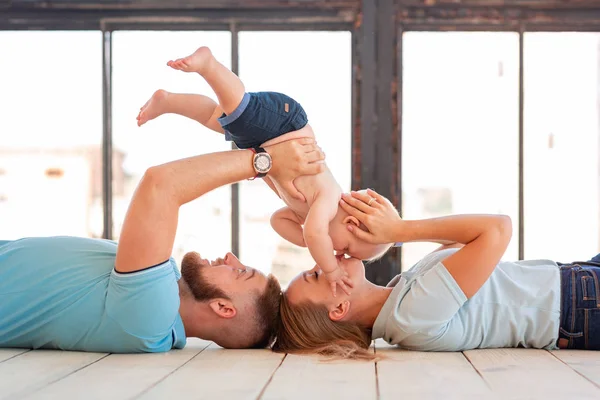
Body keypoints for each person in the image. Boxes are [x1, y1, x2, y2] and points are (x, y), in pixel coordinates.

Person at [0, 138, 325, 353]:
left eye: (240, 271)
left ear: (223, 308)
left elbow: (161, 185)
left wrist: (264, 162)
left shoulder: (150, 316)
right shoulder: (163, 284)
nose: (230, 256)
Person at [136, 46, 393, 297]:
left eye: (343, 255)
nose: (339, 254)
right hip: (285, 124)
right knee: (240, 113)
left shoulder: (311, 215)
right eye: (346, 248)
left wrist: (306, 239)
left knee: (217, 118)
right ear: (350, 223)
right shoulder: (328, 199)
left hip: (271, 139)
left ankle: (168, 101)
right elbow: (316, 234)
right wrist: (332, 269)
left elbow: (277, 221)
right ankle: (209, 66)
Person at [273, 189, 600, 360]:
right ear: (340, 309)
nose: (321, 261)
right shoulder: (412, 315)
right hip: (579, 304)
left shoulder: (399, 295)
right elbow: (497, 229)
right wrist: (398, 229)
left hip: (575, 285)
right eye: (316, 276)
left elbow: (459, 244)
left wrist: (393, 236)